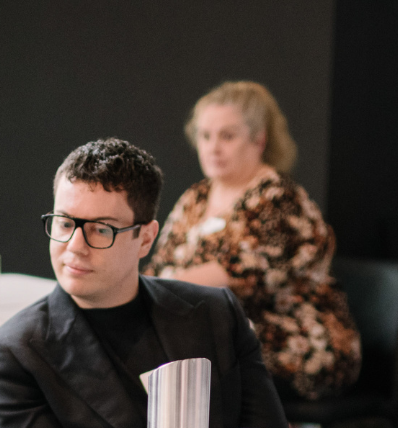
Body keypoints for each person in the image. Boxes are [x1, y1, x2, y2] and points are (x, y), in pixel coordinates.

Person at [0, 138, 287, 428]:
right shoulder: (11, 354)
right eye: (64, 223)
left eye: (101, 230)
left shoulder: (214, 313)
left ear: (145, 238)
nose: (75, 246)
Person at [147, 81, 361, 402]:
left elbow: (229, 277)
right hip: (216, 333)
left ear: (258, 139)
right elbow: (158, 266)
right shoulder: (196, 196)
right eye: (205, 136)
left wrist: (147, 293)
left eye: (227, 136)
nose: (213, 147)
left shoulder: (277, 197)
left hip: (296, 340)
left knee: (194, 355)